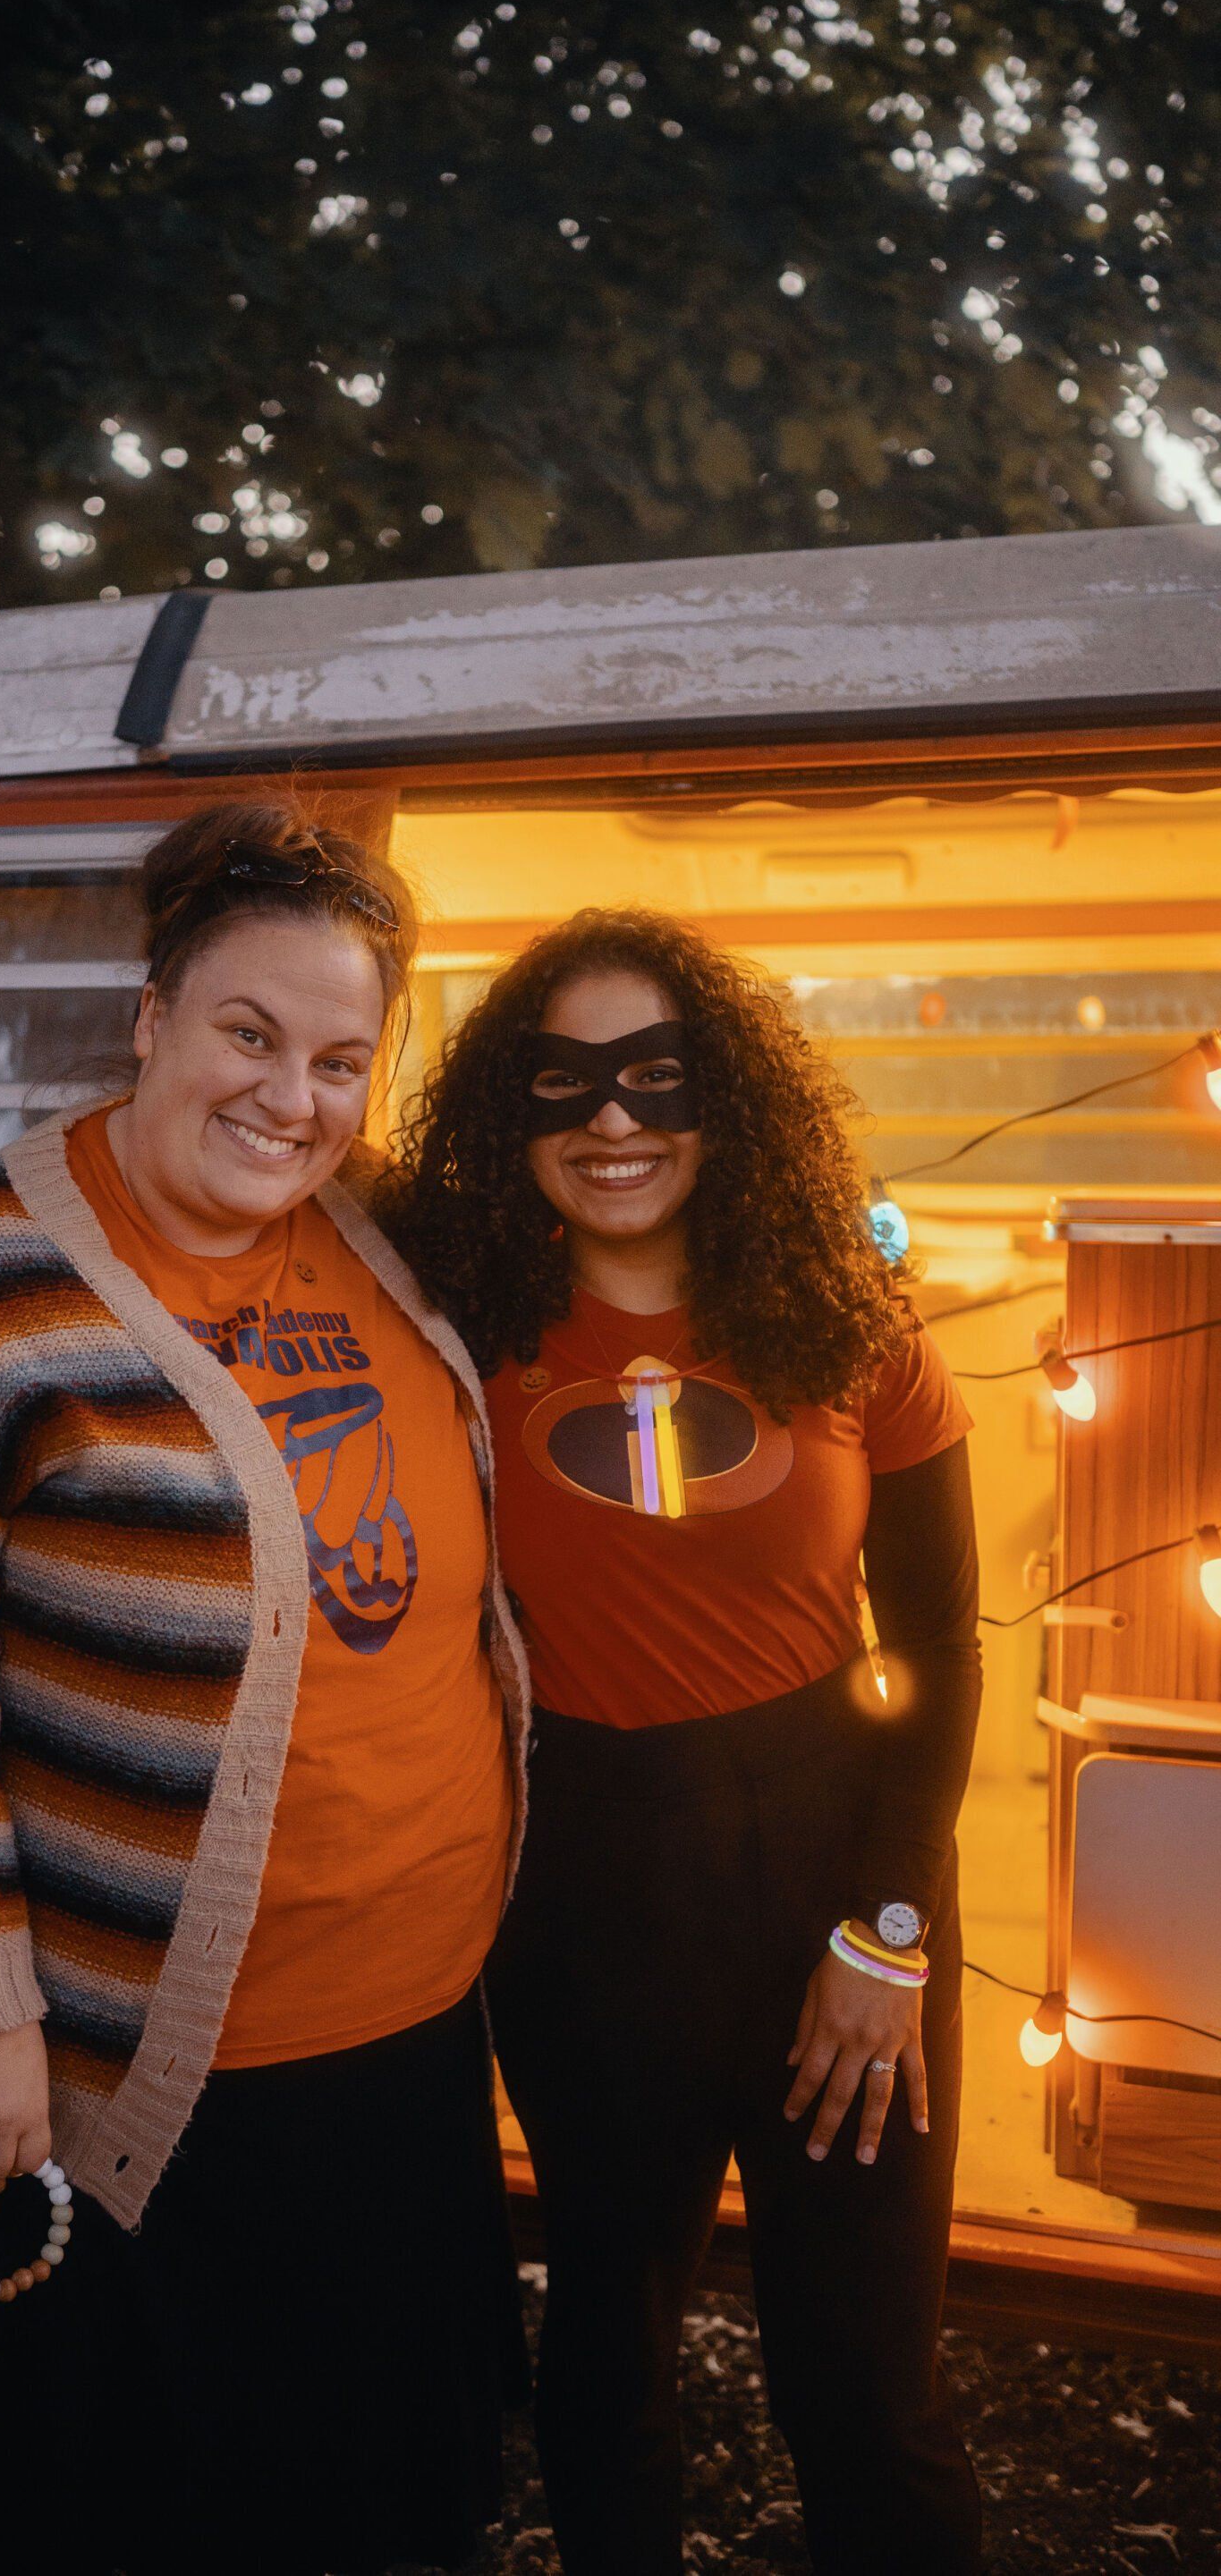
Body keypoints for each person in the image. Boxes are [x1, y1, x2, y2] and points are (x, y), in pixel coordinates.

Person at [0, 802, 531, 2576]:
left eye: (343, 1059)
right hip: (127, 2070)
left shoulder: (378, 1244)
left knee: (354, 2499)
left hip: (399, 2049)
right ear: (152, 1019)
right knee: (97, 2509)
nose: (292, 1097)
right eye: (249, 1036)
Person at [381, 906, 984, 2576]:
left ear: (730, 1101)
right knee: (609, 2363)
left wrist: (889, 1930)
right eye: (563, 1087)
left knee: (868, 2395)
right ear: (512, 1121)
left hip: (837, 1898)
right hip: (583, 1909)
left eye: (656, 1077)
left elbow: (939, 1648)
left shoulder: (851, 1325)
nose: (615, 1124)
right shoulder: (455, 1336)